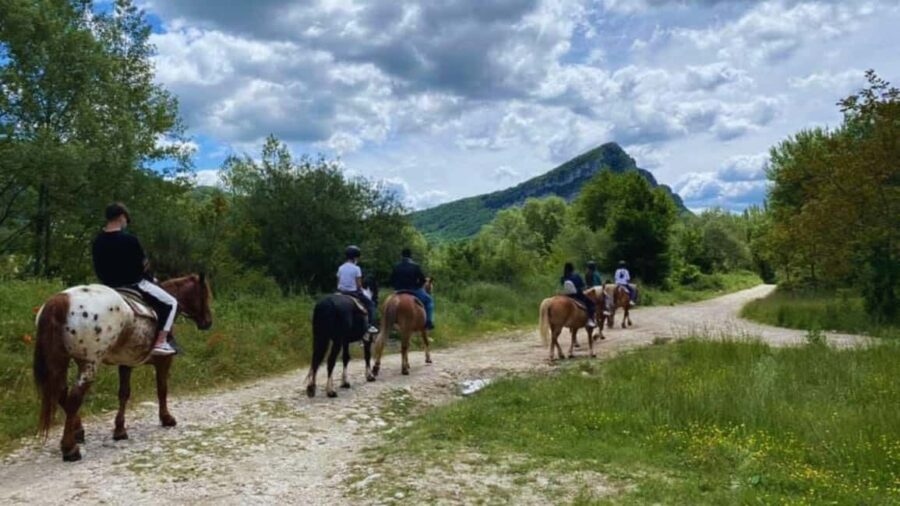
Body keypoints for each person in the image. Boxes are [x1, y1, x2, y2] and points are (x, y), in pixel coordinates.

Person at [91, 203, 177, 356]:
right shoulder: (130, 240)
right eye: (126, 219)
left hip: (108, 286)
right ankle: (161, 342)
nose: (126, 222)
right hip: (133, 284)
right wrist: (152, 279)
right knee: (171, 303)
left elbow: (98, 266)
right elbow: (143, 266)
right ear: (121, 217)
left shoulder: (97, 241)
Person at [337, 245, 379, 334]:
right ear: (355, 257)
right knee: (371, 305)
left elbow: (338, 282)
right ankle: (371, 326)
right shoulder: (356, 268)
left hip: (341, 292)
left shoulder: (341, 267)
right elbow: (359, 285)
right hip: (353, 293)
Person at [390, 248, 434, 330]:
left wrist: (396, 287)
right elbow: (423, 280)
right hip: (413, 290)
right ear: (411, 256)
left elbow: (391, 280)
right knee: (429, 301)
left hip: (398, 291)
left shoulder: (396, 266)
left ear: (401, 256)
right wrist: (418, 286)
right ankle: (429, 322)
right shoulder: (415, 266)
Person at [560, 262, 597, 328]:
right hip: (577, 295)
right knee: (591, 303)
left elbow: (564, 285)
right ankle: (590, 319)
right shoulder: (576, 276)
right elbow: (582, 285)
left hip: (567, 295)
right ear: (572, 268)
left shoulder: (563, 277)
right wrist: (584, 288)